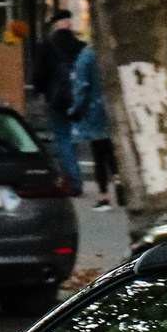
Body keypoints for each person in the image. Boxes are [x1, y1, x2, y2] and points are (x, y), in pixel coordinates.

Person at [66, 42, 117, 208]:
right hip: (112, 108)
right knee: (112, 154)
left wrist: (75, 110)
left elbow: (82, 87)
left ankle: (103, 195)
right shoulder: (110, 50)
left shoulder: (86, 56)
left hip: (94, 112)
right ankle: (120, 188)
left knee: (99, 155)